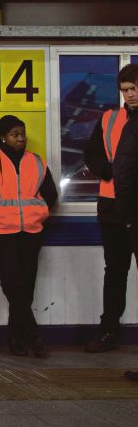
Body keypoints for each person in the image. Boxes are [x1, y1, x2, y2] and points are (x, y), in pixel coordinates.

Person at [0, 115, 58, 357]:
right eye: (15, 134)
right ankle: (34, 336)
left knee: (26, 286)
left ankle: (16, 338)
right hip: (0, 232)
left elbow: (51, 193)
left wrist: (40, 213)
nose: (21, 138)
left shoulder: (37, 162)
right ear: (2, 137)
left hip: (31, 231)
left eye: (22, 133)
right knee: (12, 284)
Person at [84, 64, 138, 353]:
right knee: (115, 272)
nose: (129, 95)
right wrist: (109, 171)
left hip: (136, 208)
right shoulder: (109, 118)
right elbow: (90, 152)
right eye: (125, 90)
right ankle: (109, 332)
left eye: (133, 89)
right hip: (112, 207)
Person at [112, 89, 138, 381]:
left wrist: (128, 217)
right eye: (126, 90)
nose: (130, 95)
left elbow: (125, 171)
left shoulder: (133, 127)